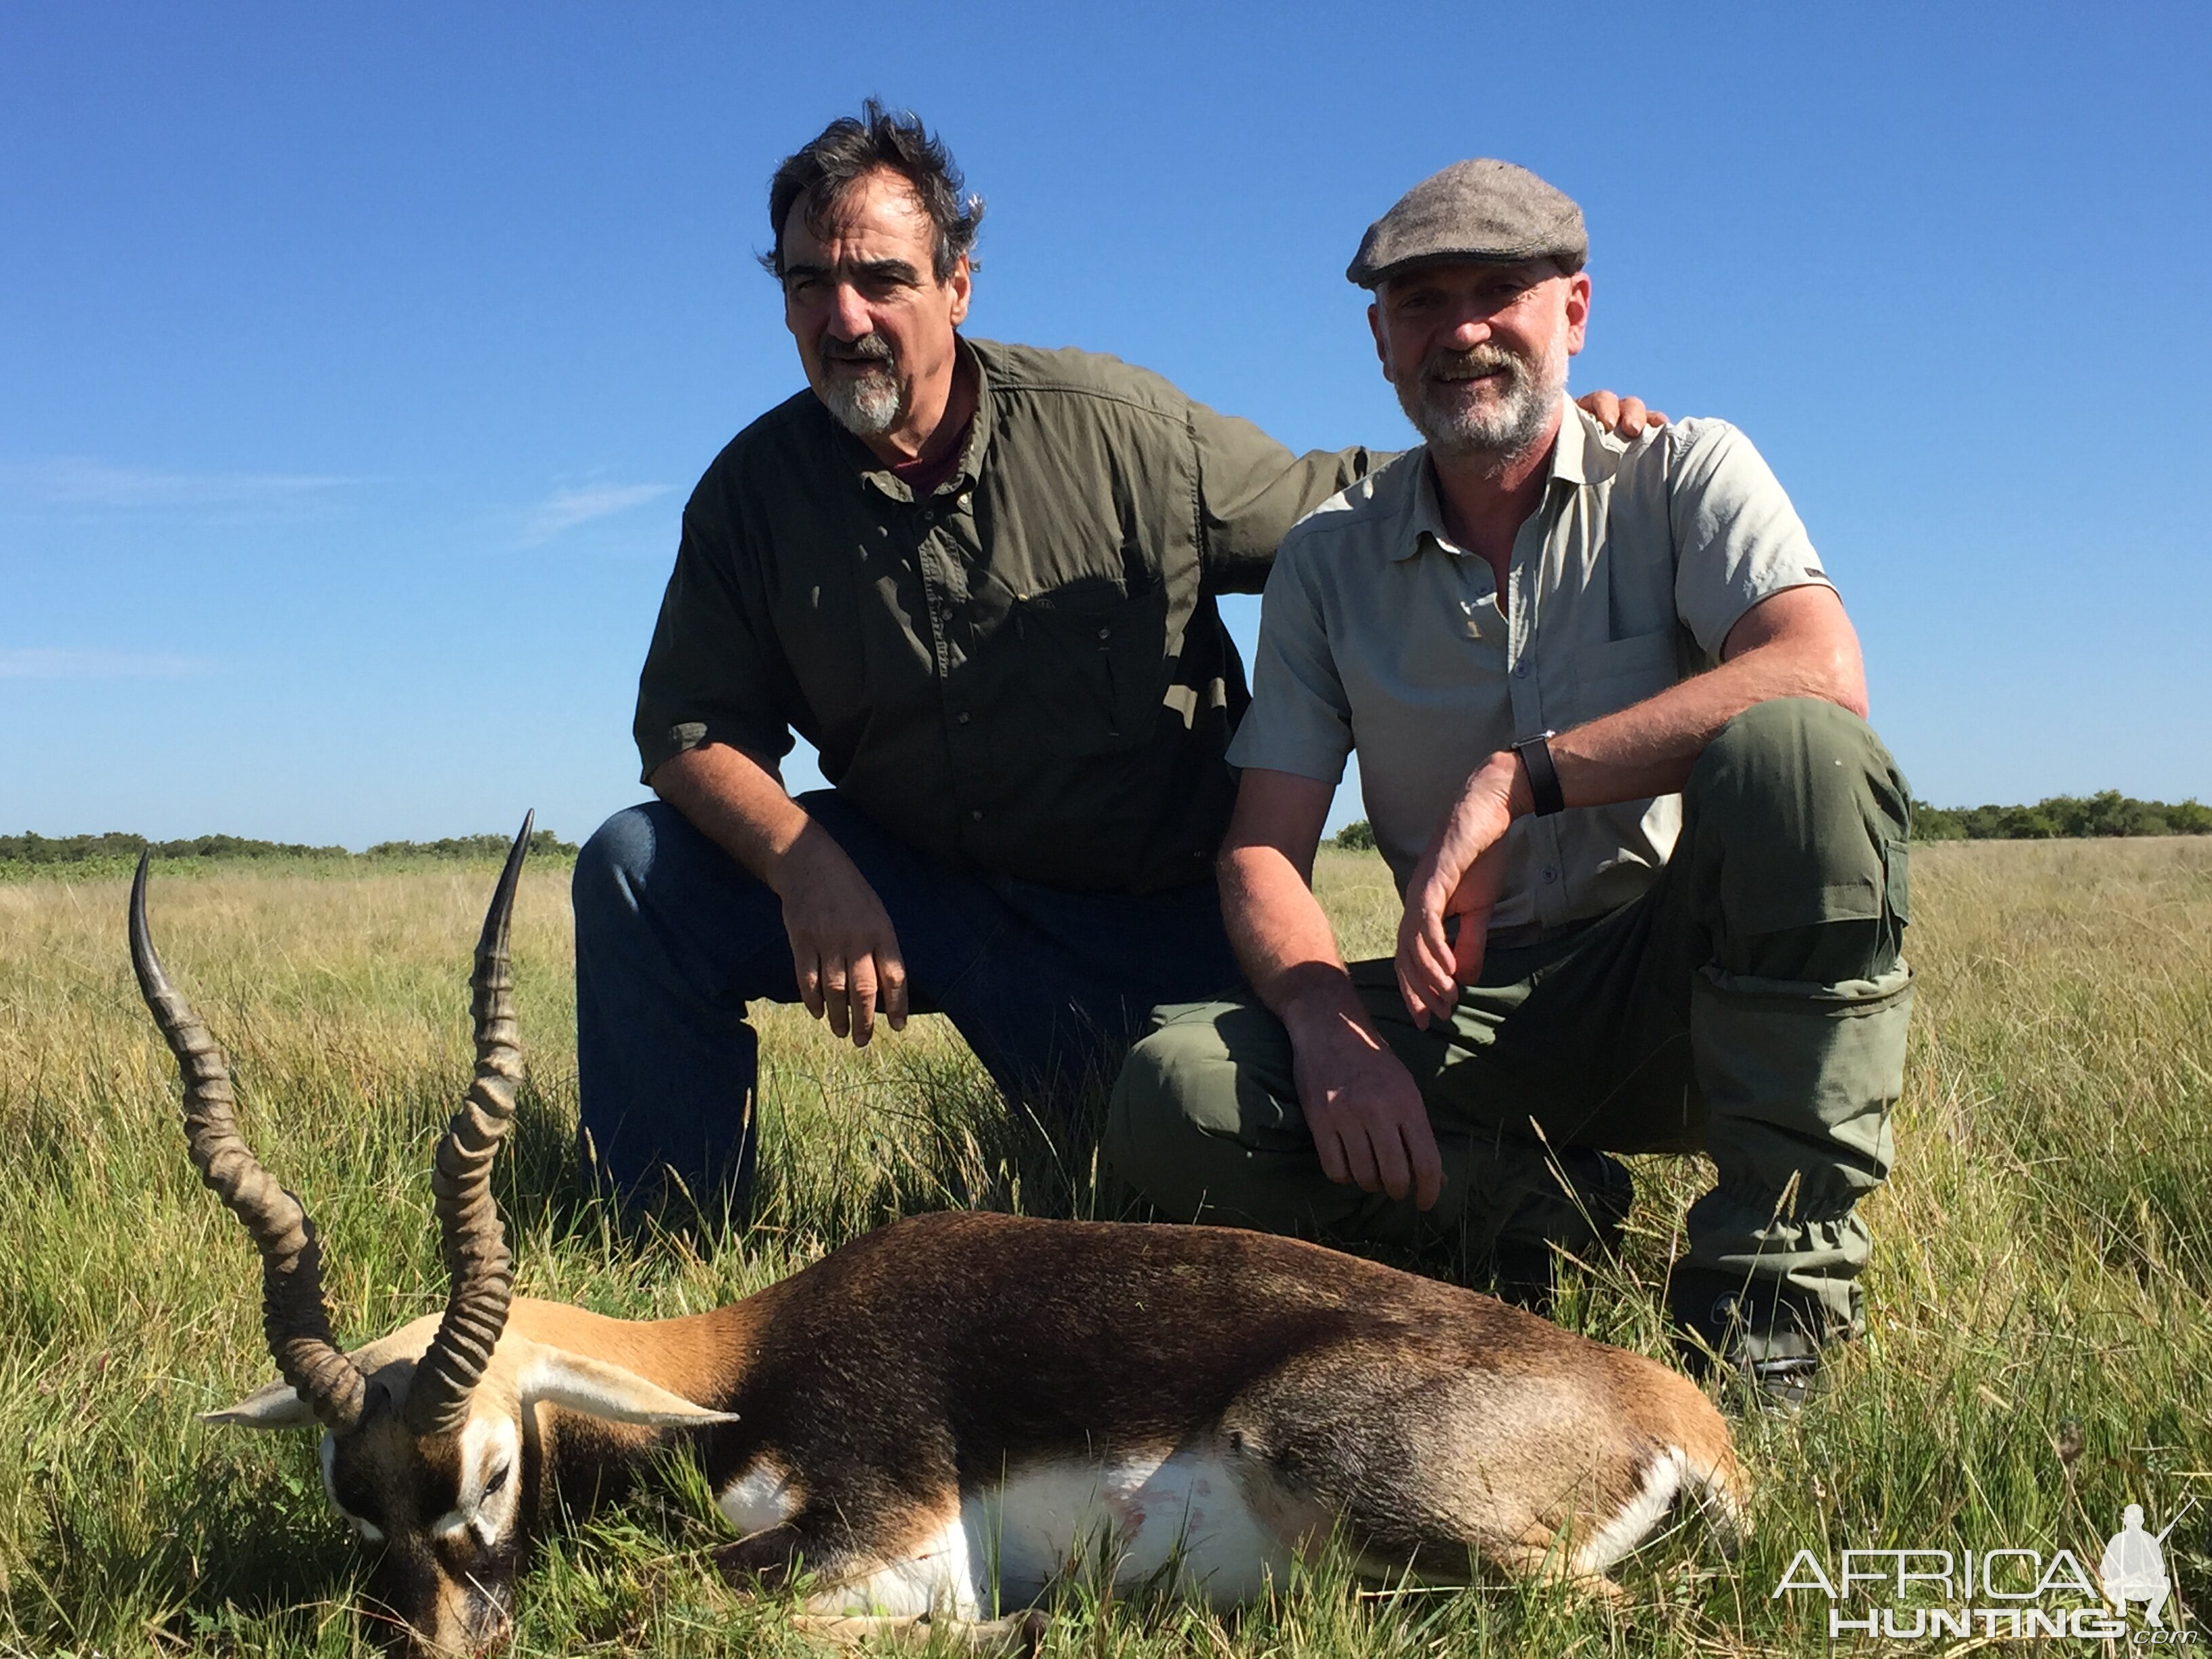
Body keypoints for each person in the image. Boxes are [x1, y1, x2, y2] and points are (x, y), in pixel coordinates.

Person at [571, 108, 1660, 1218]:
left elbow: (1341, 504)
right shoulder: (750, 496)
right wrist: (806, 862)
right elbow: (689, 730)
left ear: (958, 285)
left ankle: (1536, 1203)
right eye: (809, 284)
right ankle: (667, 1236)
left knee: (1164, 1187)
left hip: (1148, 923)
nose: (843, 316)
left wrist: (1548, 433)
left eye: (883, 279)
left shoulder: (1121, 435)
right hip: (920, 895)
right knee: (635, 869)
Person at [1105, 159, 1913, 1404]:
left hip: (1688, 991)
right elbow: (1264, 847)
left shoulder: (1683, 471)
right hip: (1467, 1011)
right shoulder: (1328, 562)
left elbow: (1821, 668)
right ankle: (1535, 1214)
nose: (1464, 328)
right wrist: (1329, 1026)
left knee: (1802, 753)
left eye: (1502, 290)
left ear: (1574, 312)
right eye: (1423, 301)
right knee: (1177, 1093)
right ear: (1381, 340)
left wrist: (1523, 778)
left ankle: (1770, 1312)